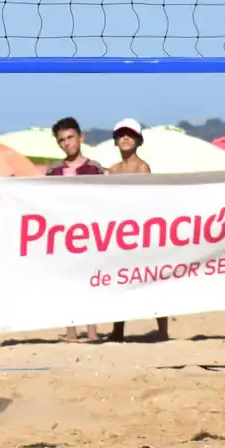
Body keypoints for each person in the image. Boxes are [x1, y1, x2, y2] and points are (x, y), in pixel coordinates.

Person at [105, 119, 168, 342]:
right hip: (121, 232)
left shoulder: (143, 167)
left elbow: (146, 200)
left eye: (129, 134)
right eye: (121, 134)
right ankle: (118, 329)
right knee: (120, 281)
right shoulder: (112, 170)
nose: (124, 138)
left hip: (141, 230)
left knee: (152, 279)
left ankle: (162, 329)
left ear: (138, 140)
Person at [47, 116, 104, 341]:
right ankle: (70, 331)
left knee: (91, 281)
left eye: (70, 138)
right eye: (62, 140)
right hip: (63, 234)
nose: (67, 143)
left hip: (90, 233)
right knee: (66, 282)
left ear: (81, 137)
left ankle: (91, 331)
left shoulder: (95, 169)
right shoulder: (54, 172)